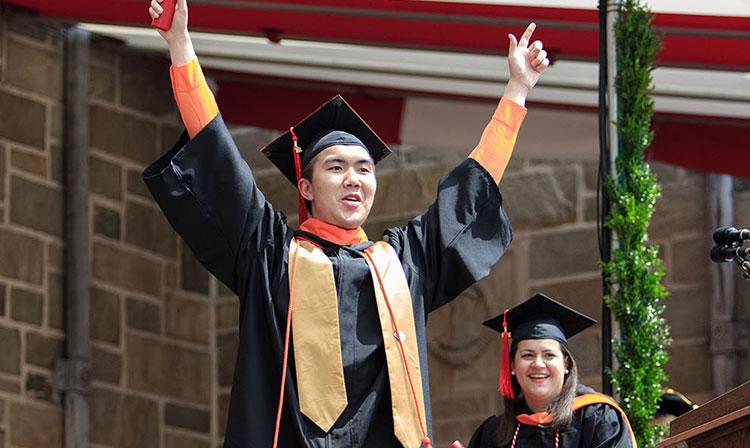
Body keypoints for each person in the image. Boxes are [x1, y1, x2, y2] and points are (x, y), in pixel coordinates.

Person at [145, 0, 549, 446]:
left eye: (364, 168)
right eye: (335, 168)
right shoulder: (272, 255)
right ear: (307, 189)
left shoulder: (402, 263)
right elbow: (217, 159)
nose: (354, 179)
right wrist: (181, 45)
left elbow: (468, 192)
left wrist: (517, 91)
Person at [468, 294, 636, 448]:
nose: (538, 364)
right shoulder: (493, 433)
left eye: (549, 355)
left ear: (566, 364)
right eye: (528, 355)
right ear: (512, 365)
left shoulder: (597, 418)